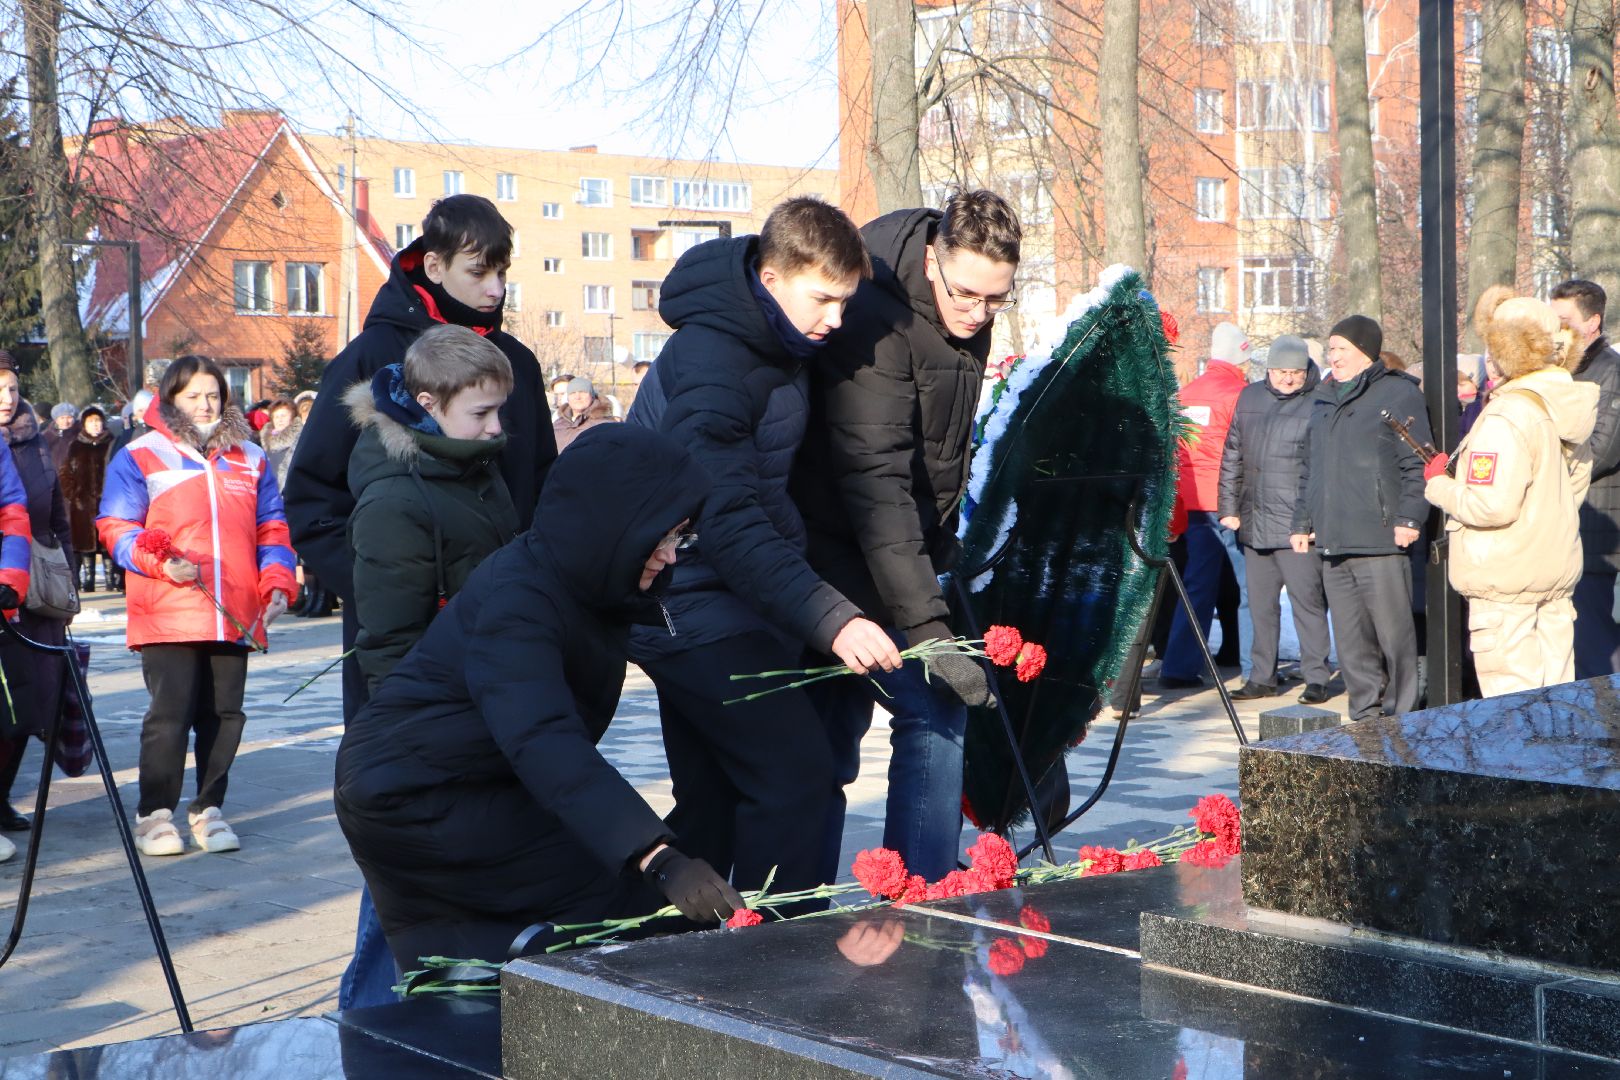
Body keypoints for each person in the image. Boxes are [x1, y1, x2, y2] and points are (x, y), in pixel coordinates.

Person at [282, 193, 556, 1009]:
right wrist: (386, 583)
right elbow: (310, 500)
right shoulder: (370, 361)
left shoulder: (516, 366)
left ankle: (463, 1019)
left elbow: (538, 492)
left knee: (490, 840)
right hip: (406, 649)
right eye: (482, 271)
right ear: (433, 265)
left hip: (507, 644)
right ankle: (370, 1018)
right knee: (409, 838)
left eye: (505, 271)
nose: (497, 289)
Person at [334, 425, 743, 968]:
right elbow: (544, 739)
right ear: (613, 524)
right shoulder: (519, 601)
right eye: (664, 537)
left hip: (462, 777)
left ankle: (471, 1014)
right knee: (605, 901)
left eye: (681, 538)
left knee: (455, 962)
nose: (671, 556)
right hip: (419, 794)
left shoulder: (580, 578)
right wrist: (656, 857)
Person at [626, 196, 900, 897]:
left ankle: (657, 968)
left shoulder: (776, 340)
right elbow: (726, 516)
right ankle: (778, 970)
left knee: (714, 811)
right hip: (685, 605)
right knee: (799, 783)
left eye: (847, 302)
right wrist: (831, 617)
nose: (835, 321)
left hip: (728, 602)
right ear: (773, 277)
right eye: (823, 300)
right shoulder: (718, 360)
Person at [792, 189, 1020, 882]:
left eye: (995, 302)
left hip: (900, 562)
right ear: (930, 260)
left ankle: (919, 893)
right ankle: (796, 916)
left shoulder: (963, 309)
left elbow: (940, 461)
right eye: (966, 294)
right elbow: (877, 483)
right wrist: (928, 628)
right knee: (824, 751)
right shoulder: (874, 321)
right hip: (828, 561)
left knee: (927, 715)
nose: (977, 314)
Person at [98, 355, 297, 856]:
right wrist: (159, 564)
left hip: (234, 607)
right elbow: (116, 528)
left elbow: (271, 526)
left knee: (225, 714)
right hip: (169, 606)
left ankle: (208, 808)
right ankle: (154, 814)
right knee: (170, 714)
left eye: (214, 394)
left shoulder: (248, 457)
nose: (206, 404)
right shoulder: (141, 454)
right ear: (171, 399)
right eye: (194, 396)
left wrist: (275, 581)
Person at [1424, 289, 1597, 695]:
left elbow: (1490, 505)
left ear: (1509, 349)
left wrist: (1440, 486)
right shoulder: (1562, 405)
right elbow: (1574, 486)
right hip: (1553, 572)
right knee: (1557, 708)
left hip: (1505, 582)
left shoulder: (1507, 414)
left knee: (1514, 716)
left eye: (1492, 347)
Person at [345, 325, 519, 691]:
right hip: (442, 701)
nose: (495, 427)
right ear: (428, 404)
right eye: (481, 413)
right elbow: (390, 644)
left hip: (493, 678)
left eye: (499, 410)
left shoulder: (474, 463)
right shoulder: (393, 504)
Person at [1291, 316, 1428, 722]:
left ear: (1365, 352)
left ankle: (1402, 714)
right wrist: (1303, 521)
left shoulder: (1397, 393)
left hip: (1381, 536)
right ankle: (1364, 716)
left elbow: (1418, 461)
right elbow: (1309, 468)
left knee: (1394, 635)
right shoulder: (1322, 397)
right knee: (1351, 641)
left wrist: (1409, 517)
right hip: (1333, 538)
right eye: (1330, 349)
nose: (1333, 357)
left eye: (1342, 349)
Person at [1217, 335, 1333, 703]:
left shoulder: (1320, 402)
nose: (1287, 379)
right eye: (1281, 372)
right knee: (1257, 603)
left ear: (1306, 371)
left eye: (1295, 373)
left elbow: (1320, 470)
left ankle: (1317, 676)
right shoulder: (1249, 397)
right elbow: (1232, 454)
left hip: (1297, 524)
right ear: (1268, 370)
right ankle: (1261, 676)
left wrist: (1310, 522)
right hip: (1253, 520)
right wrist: (1228, 508)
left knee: (1307, 601)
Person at [1159, 321, 1254, 690]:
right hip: (1230, 503)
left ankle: (1178, 666)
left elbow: (1176, 454)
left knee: (1197, 585)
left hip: (1196, 503)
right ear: (1240, 357)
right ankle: (1255, 669)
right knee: (1249, 588)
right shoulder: (1241, 394)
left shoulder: (1187, 394)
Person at [1549, 279, 1620, 677]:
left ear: (1592, 322)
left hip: (1595, 523)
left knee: (1595, 643)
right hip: (1565, 523)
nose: (1556, 330)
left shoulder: (1608, 371)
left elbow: (1604, 448)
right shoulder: (1561, 369)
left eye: (1564, 320)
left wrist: (1546, 466)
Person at [0, 352, 57, 837]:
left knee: (23, 704)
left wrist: (17, 580)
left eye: (13, 388)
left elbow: (27, 511)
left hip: (21, 590)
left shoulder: (38, 443)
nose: (6, 398)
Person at [60, 405, 114, 593]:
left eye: (98, 421)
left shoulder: (111, 443)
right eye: (91, 421)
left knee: (107, 543)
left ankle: (110, 580)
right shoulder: (76, 445)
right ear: (84, 424)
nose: (95, 425)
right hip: (82, 505)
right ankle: (88, 580)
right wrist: (73, 495)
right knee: (85, 544)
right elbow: (65, 473)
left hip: (108, 502)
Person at [551, 376, 617, 452]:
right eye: (573, 393)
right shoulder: (558, 424)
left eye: (583, 392)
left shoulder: (606, 425)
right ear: (568, 398)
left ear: (592, 396)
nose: (577, 397)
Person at [258, 398, 302, 492]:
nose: (279, 420)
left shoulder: (300, 440)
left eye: (283, 416)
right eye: (276, 417)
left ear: (292, 417)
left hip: (293, 493)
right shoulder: (265, 444)